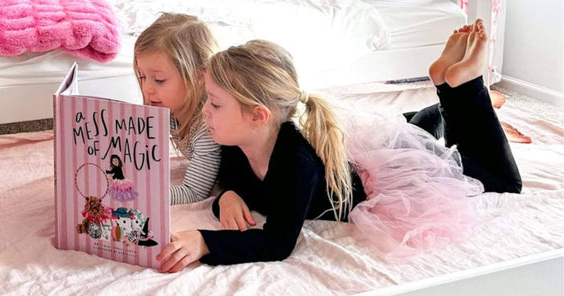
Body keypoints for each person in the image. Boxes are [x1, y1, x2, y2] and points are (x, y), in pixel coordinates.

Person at [157, 19, 521, 271]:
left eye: (215, 104)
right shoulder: (234, 144)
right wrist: (227, 197)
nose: (204, 113)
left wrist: (204, 242)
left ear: (258, 116)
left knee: (497, 179)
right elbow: (235, 186)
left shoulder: (295, 161)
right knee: (420, 130)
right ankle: (448, 88)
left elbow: (278, 243)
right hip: (365, 158)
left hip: (388, 183)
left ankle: (467, 83)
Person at [134, 13, 221, 205]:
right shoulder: (170, 109)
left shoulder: (206, 128)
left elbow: (193, 193)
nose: (147, 88)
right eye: (142, 77)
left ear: (199, 77)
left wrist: (140, 194)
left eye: (159, 80)